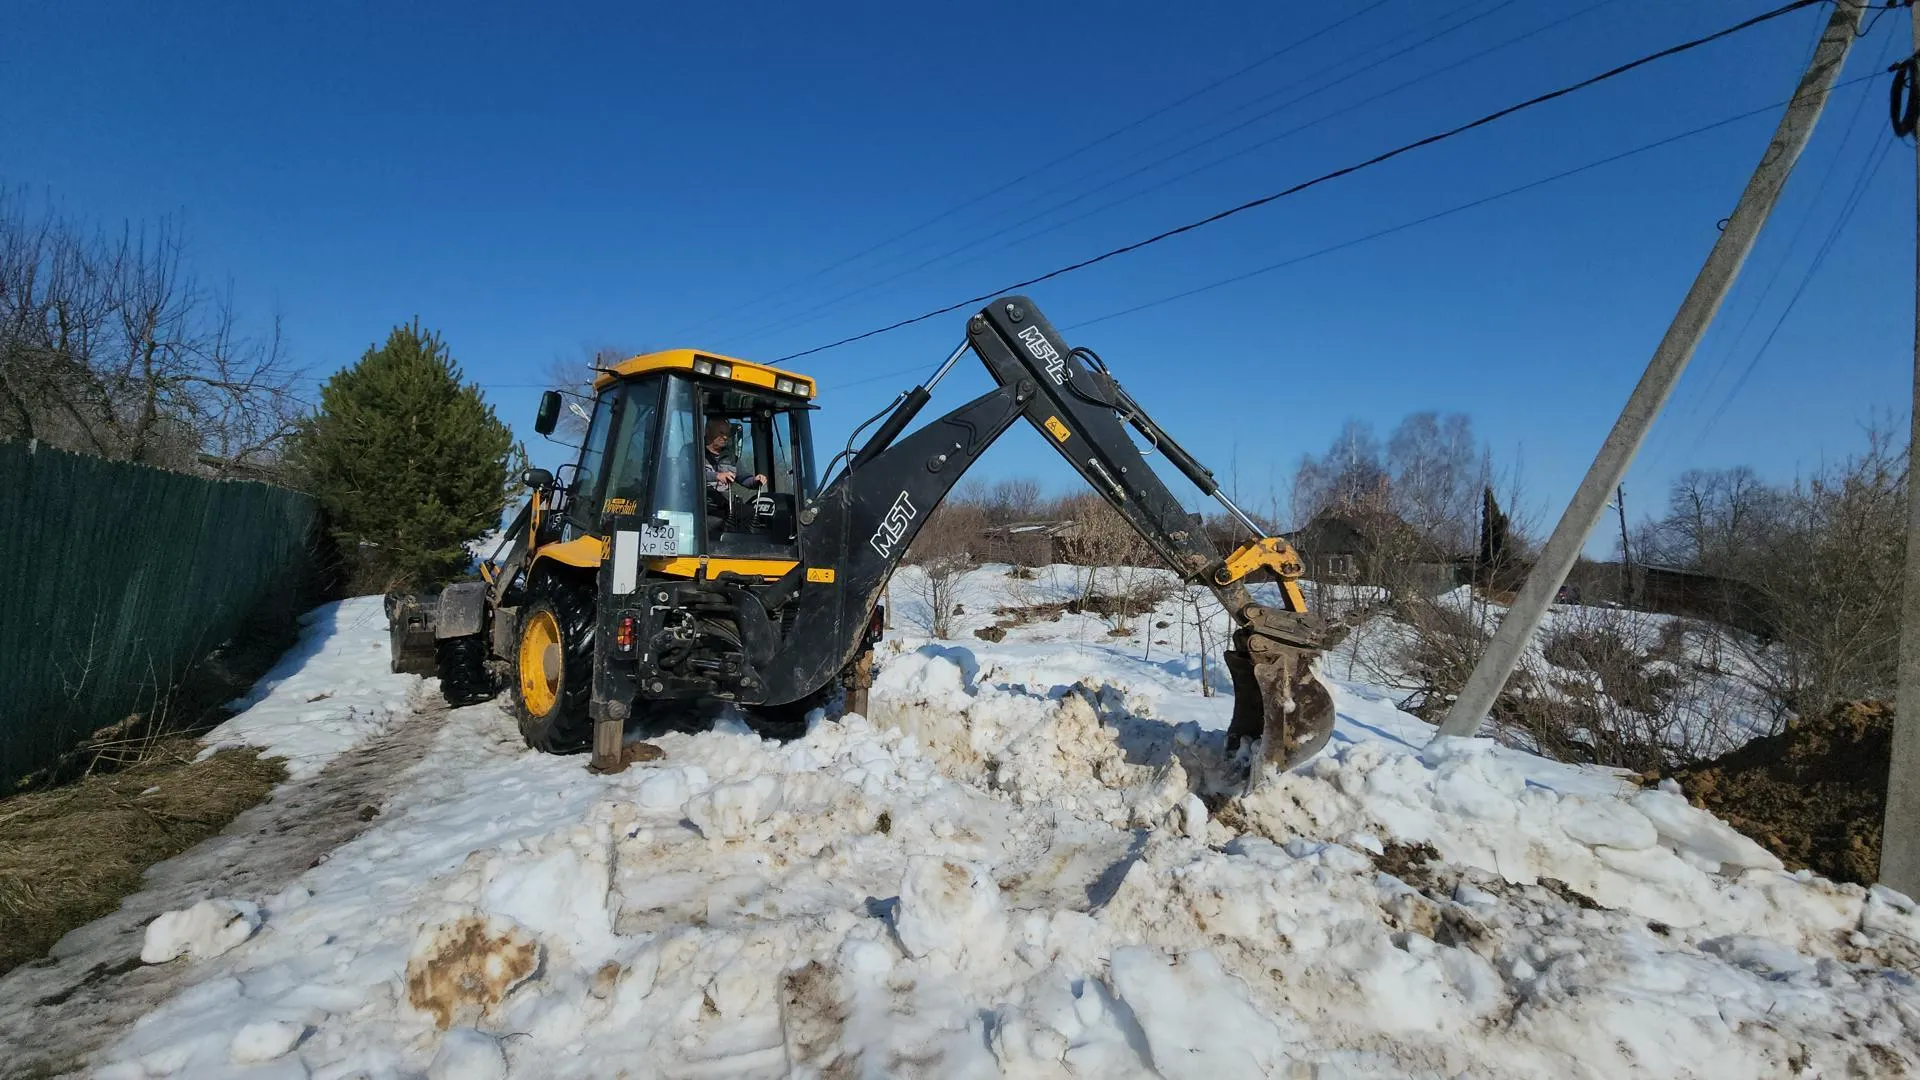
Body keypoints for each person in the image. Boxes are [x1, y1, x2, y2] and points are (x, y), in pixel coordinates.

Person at [703, 416, 766, 492]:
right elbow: (689, 476)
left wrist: (755, 480)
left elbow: (743, 478)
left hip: (724, 501)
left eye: (727, 434)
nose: (725, 437)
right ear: (708, 431)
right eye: (721, 433)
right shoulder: (694, 453)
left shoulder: (731, 457)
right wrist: (716, 476)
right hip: (699, 501)